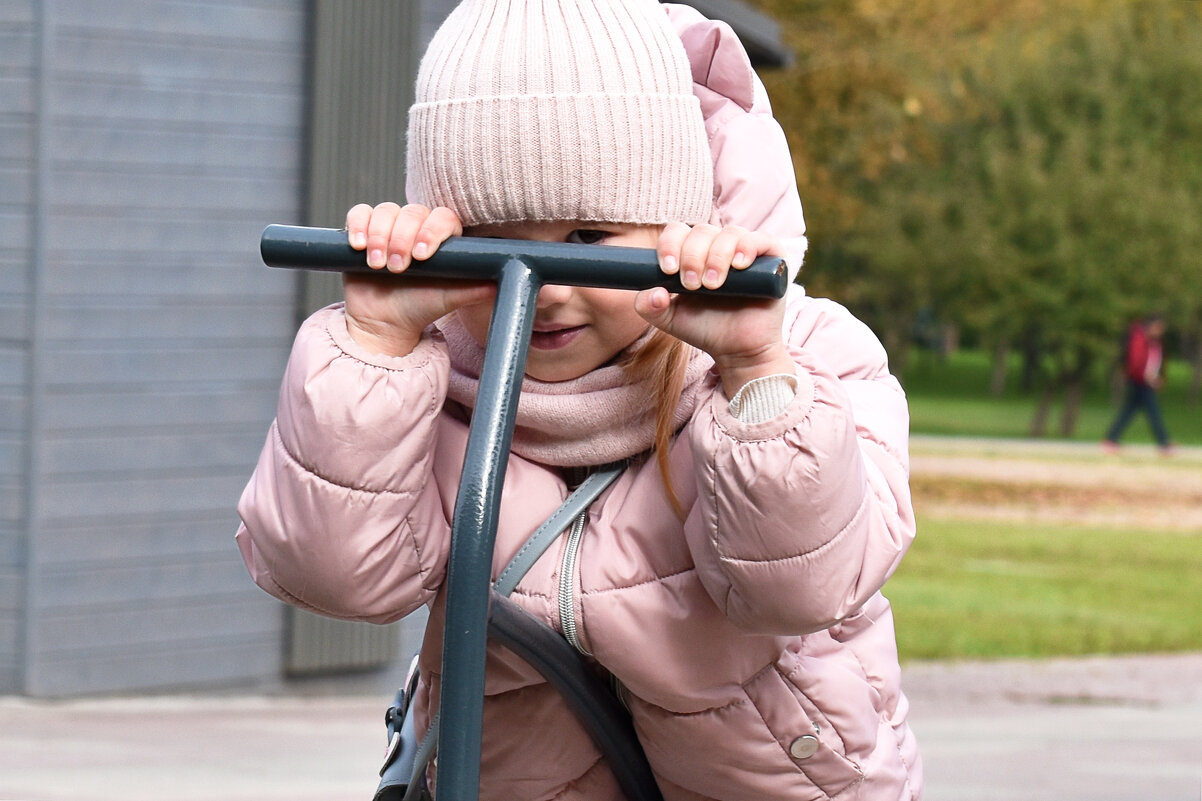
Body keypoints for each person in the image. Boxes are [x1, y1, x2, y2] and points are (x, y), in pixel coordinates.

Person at [236, 1, 922, 798]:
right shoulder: (434, 390)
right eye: (496, 240)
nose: (548, 287)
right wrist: (376, 345)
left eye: (589, 238)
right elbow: (332, 578)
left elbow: (802, 587)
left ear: (677, 221)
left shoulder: (808, 354)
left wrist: (752, 371)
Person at [1103, 315, 1174, 454]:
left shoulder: (1153, 341)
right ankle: (1164, 442)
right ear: (1151, 326)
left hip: (1146, 381)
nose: (1160, 332)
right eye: (1158, 328)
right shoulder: (1139, 339)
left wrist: (1158, 376)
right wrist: (1147, 377)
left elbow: (1156, 360)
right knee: (1153, 412)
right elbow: (1136, 362)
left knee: (1128, 411)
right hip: (1141, 381)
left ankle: (1111, 439)